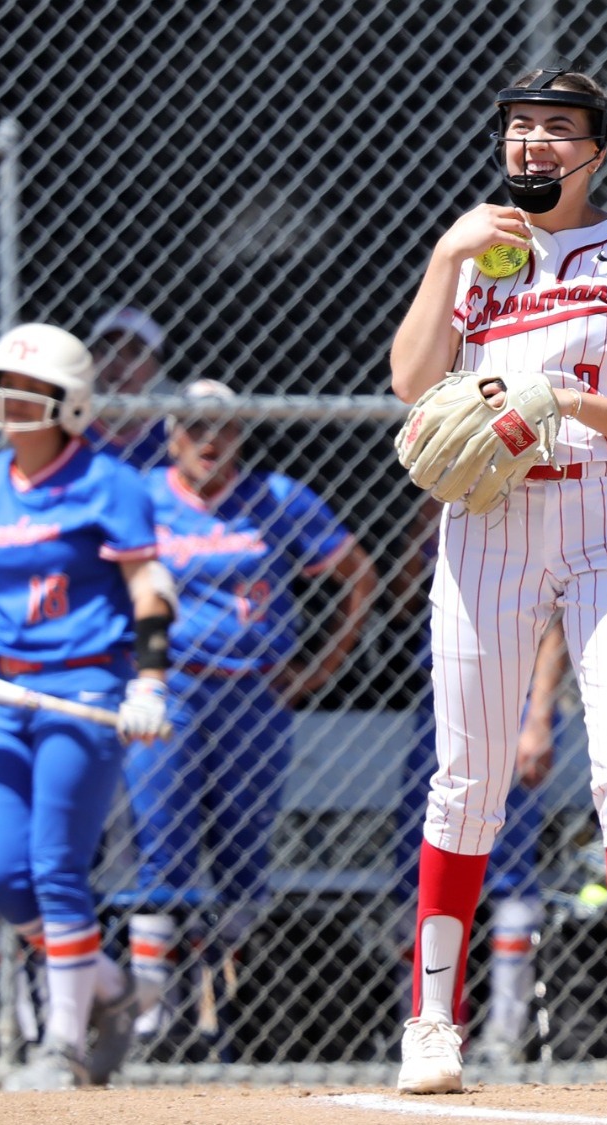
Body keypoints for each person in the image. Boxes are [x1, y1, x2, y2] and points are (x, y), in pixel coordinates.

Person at [385, 66, 607, 1094]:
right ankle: (431, 1026)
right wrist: (448, 254)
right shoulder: (476, 255)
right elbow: (409, 386)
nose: (533, 142)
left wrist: (563, 395)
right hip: (488, 518)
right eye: (520, 126)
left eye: (556, 127)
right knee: (467, 779)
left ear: (595, 148)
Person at [0, 322, 174, 1089]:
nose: (16, 401)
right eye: (8, 387)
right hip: (6, 690)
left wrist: (150, 682)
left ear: (72, 402)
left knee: (57, 864)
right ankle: (108, 986)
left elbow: (150, 588)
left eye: (36, 391)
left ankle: (62, 1043)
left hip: (85, 684)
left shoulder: (110, 482)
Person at [123, 378, 378, 1057]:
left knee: (242, 858)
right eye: (196, 428)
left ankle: (226, 1009)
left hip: (254, 696)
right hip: (171, 690)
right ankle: (154, 1016)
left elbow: (358, 574)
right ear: (170, 433)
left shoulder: (277, 497)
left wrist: (319, 671)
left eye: (226, 428)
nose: (211, 441)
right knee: (162, 852)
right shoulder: (142, 497)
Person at [89, 306, 173, 469]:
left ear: (156, 365)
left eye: (135, 352)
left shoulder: (174, 433)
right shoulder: (75, 430)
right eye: (107, 351)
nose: (119, 363)